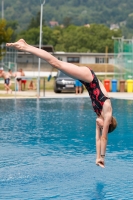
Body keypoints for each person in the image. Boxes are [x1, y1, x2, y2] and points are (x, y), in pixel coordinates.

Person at [6, 39, 117, 168]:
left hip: (86, 81)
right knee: (56, 63)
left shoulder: (99, 116)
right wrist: (103, 157)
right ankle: (25, 46)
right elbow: (104, 139)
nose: (99, 125)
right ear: (108, 123)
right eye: (102, 127)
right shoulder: (107, 111)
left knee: (56, 63)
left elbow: (98, 139)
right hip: (90, 77)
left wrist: (98, 158)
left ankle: (26, 46)